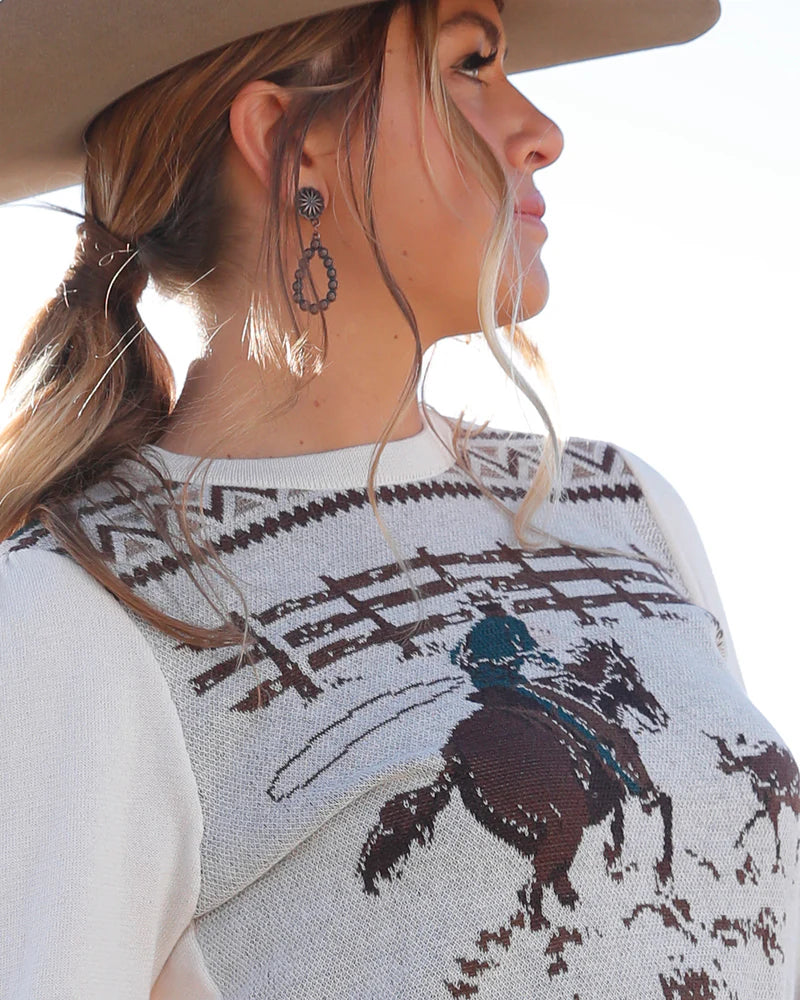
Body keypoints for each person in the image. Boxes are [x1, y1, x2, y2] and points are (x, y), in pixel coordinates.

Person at [0, 0, 798, 997]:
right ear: (290, 144)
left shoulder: (622, 507)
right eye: (469, 65)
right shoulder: (77, 616)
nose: (539, 133)